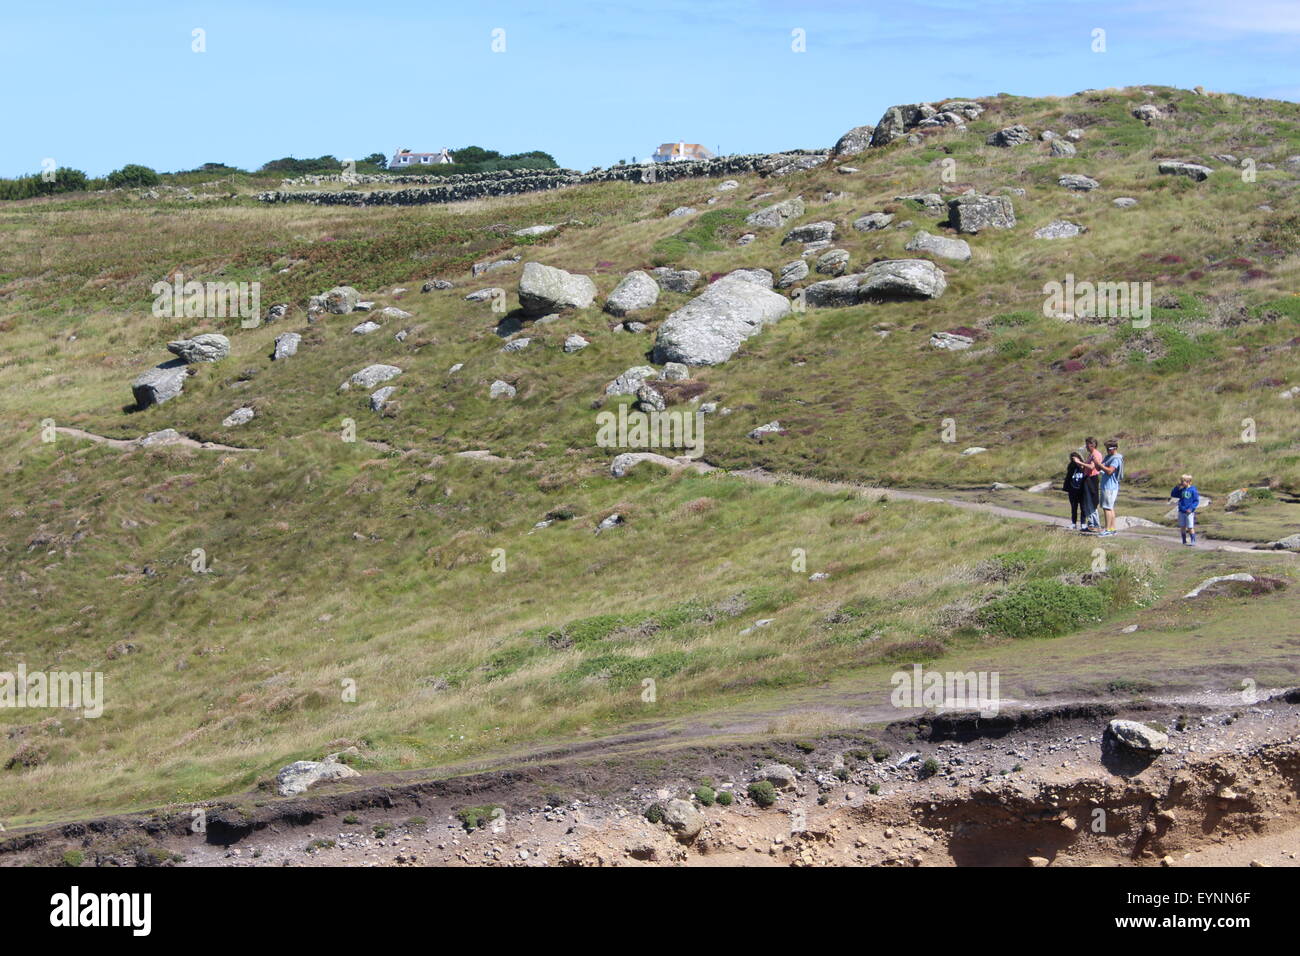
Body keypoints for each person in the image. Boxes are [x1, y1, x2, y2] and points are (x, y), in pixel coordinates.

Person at [1077, 437, 1104, 533]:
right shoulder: (1091, 454)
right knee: (1087, 502)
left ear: (1092, 445)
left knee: (1091, 502)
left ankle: (1096, 524)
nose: (1086, 446)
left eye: (1087, 444)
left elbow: (1092, 467)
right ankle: (1091, 524)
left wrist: (1079, 462)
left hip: (1091, 480)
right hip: (1087, 479)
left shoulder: (1095, 454)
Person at [1097, 439, 1124, 536]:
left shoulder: (1116, 459)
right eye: (1106, 449)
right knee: (1110, 508)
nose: (1107, 450)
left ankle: (1107, 529)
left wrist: (1100, 465)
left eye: (1109, 449)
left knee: (1107, 508)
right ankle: (1112, 529)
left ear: (1115, 448)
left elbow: (1109, 471)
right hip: (1107, 485)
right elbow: (1101, 467)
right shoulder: (1109, 457)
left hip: (1110, 487)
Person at [1172, 473, 1200, 546]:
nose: (1181, 483)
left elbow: (1196, 501)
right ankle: (1184, 540)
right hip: (1181, 511)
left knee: (1190, 527)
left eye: (1183, 481)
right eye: (1181, 481)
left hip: (1189, 512)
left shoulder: (1193, 490)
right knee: (1182, 527)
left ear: (1188, 482)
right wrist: (1177, 487)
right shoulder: (1182, 490)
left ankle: (1193, 540)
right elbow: (1173, 494)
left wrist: (1191, 509)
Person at [1063, 449, 1087, 530]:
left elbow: (1084, 468)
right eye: (1072, 458)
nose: (1074, 460)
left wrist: (1079, 462)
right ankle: (1073, 523)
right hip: (1072, 490)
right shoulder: (1071, 466)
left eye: (1075, 458)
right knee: (1074, 508)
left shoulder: (1083, 465)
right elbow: (1068, 477)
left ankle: (1083, 523)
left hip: (1082, 490)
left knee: (1083, 508)